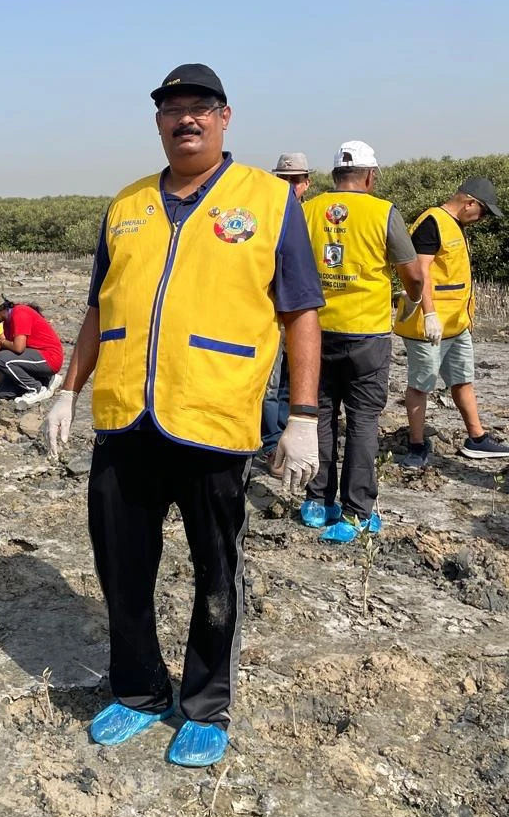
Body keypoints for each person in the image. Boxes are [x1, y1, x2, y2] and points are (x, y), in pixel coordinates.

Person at [44, 62, 323, 769]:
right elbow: (98, 306)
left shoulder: (267, 200)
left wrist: (303, 416)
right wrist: (68, 389)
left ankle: (205, 703)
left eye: (201, 106)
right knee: (123, 568)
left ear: (225, 117)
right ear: (159, 122)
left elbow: (300, 311)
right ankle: (140, 690)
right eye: (173, 108)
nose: (186, 118)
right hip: (124, 421)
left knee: (216, 572)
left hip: (214, 419)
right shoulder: (127, 204)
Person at [300, 141, 424, 542]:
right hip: (366, 333)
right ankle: (356, 512)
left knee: (320, 415)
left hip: (315, 330)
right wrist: (412, 301)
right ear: (370, 176)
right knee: (363, 420)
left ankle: (317, 502)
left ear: (335, 175)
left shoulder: (309, 210)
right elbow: (413, 274)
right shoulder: (383, 212)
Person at [395, 176, 509, 464]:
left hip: (456, 326)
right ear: (470, 202)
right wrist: (429, 314)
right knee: (421, 385)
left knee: (462, 380)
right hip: (428, 328)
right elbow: (421, 272)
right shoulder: (432, 222)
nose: (481, 219)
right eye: (483, 212)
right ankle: (417, 445)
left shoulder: (455, 225)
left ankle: (477, 439)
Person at [261, 153, 313, 457]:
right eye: (284, 179)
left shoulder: (313, 216)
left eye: (296, 180)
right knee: (271, 384)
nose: (291, 185)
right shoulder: (267, 215)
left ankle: (282, 434)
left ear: (307, 183)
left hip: (299, 316)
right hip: (270, 316)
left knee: (290, 382)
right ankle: (270, 443)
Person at [0, 294, 64, 406]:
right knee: (4, 393)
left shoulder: (20, 313)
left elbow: (18, 348)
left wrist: (2, 342)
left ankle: (36, 389)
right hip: (34, 357)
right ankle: (47, 379)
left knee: (0, 358)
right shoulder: (7, 322)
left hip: (49, 357)